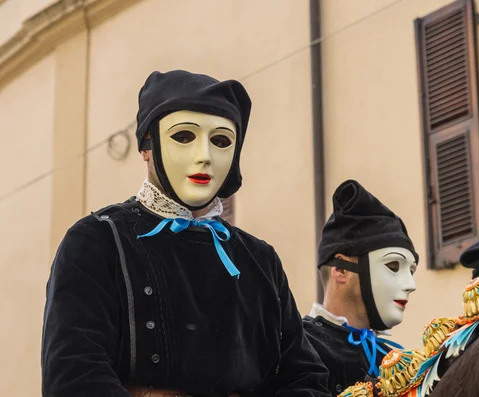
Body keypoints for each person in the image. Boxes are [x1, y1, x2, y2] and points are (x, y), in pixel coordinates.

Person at [41, 70, 330, 397]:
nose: (204, 156)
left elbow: (304, 380)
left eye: (220, 140)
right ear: (147, 145)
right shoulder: (97, 242)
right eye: (183, 136)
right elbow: (74, 377)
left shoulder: (260, 261)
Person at [303, 180, 418, 395]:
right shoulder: (295, 349)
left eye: (411, 271)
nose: (411, 285)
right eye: (393, 266)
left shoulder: (398, 361)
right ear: (341, 269)